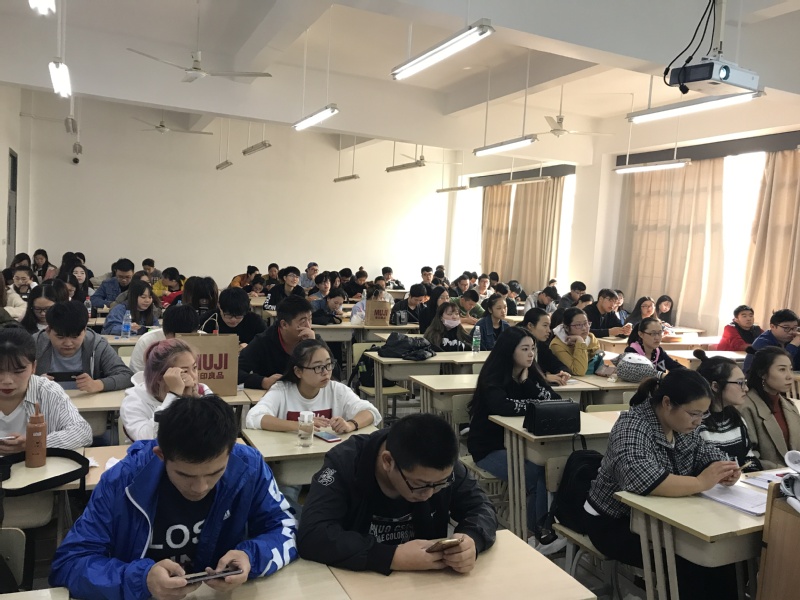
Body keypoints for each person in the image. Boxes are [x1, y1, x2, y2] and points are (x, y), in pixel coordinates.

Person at [51, 394, 298, 599]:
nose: (200, 487)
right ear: (161, 455)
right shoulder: (122, 481)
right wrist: (142, 580)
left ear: (230, 453)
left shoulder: (248, 467)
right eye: (185, 475)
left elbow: (286, 529)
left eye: (215, 473)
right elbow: (69, 564)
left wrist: (250, 557)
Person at [585, 371, 740, 600]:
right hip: (614, 522)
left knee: (721, 557)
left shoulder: (683, 427)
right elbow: (639, 478)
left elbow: (704, 452)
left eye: (703, 414)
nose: (698, 421)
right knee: (692, 561)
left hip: (664, 517)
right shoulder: (632, 425)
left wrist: (723, 469)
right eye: (693, 414)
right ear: (667, 403)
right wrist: (700, 482)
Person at [297, 413, 496, 573]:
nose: (429, 494)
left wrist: (472, 539)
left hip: (427, 583)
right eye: (419, 484)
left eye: (439, 485)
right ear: (388, 461)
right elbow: (313, 534)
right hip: (356, 581)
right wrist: (392, 557)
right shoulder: (345, 463)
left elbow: (481, 506)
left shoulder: (440, 467)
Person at [466, 327, 562, 553]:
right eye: (524, 349)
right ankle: (537, 533)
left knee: (553, 468)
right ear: (510, 351)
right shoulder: (493, 376)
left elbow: (554, 401)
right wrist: (534, 405)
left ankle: (542, 530)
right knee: (539, 475)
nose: (531, 354)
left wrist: (528, 384)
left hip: (524, 446)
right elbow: (502, 407)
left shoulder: (531, 374)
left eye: (533, 349)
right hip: (489, 448)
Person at [247, 339, 380, 432]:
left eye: (328, 365)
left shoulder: (336, 390)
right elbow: (253, 417)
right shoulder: (282, 390)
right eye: (318, 367)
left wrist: (350, 424)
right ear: (298, 371)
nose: (326, 372)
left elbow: (371, 412)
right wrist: (299, 425)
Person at [0, 326, 92, 451]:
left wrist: (35, 443)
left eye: (18, 371)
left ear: (33, 367)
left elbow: (83, 432)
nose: (7, 381)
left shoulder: (48, 391)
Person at [121, 338, 212, 441]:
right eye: (184, 371)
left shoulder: (202, 390)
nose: (193, 377)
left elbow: (218, 432)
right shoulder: (134, 401)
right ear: (160, 377)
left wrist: (193, 400)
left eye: (194, 368)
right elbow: (148, 440)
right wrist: (173, 395)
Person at [34, 301, 133, 392]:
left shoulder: (97, 345)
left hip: (88, 403)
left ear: (85, 331)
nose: (68, 343)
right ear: (48, 331)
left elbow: (126, 375)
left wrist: (98, 384)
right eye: (60, 337)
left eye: (75, 337)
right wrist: (33, 383)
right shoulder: (35, 344)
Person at [693, 350, 761, 471]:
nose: (746, 388)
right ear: (715, 386)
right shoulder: (696, 423)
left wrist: (752, 472)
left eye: (745, 382)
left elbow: (748, 456)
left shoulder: (736, 418)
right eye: (740, 383)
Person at [739, 347, 800, 469]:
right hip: (766, 476)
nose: (790, 376)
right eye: (782, 369)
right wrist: (782, 470)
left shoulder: (789, 406)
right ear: (762, 373)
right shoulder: (745, 407)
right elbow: (749, 457)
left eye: (791, 369)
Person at [239, 296, 317, 390]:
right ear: (284, 324)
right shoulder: (263, 341)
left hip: (304, 395)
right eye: (303, 321)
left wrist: (313, 346)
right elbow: (236, 371)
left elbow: (331, 372)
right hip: (271, 396)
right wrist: (263, 382)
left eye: (310, 319)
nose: (308, 326)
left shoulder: (312, 339)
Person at [130, 305, 200, 373]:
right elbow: (137, 375)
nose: (182, 344)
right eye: (177, 338)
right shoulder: (147, 341)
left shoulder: (203, 339)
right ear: (166, 332)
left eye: (188, 337)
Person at [617, 316, 684, 381]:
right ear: (641, 334)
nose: (657, 337)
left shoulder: (659, 351)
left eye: (660, 333)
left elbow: (675, 366)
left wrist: (686, 373)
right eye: (653, 333)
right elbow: (638, 372)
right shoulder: (631, 351)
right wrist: (662, 376)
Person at [199, 287, 266, 349]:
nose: (233, 320)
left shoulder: (255, 321)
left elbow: (266, 345)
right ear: (219, 306)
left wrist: (251, 348)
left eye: (238, 316)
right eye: (228, 315)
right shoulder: (207, 320)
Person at [519, 308, 571, 385]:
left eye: (549, 326)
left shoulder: (541, 345)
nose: (549, 330)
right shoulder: (516, 344)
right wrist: (543, 377)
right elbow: (515, 372)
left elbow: (557, 364)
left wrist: (562, 373)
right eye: (545, 325)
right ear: (530, 325)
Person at [742, 308, 800, 373]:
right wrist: (793, 345)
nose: (791, 332)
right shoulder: (762, 342)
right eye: (786, 328)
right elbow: (779, 364)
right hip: (758, 378)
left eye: (795, 328)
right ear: (772, 326)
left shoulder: (794, 339)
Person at [549, 307, 601, 376]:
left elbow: (599, 362)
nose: (584, 328)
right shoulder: (557, 345)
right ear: (566, 327)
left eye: (586, 323)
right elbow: (579, 371)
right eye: (578, 325)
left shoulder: (591, 338)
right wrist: (580, 341)